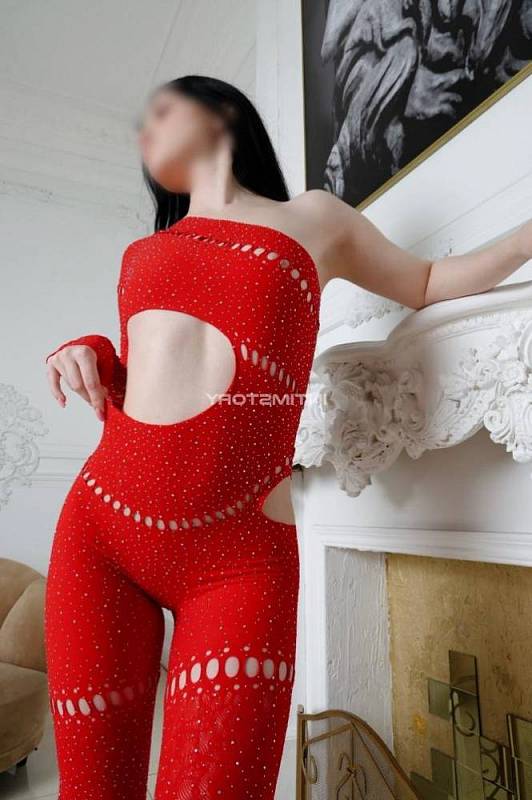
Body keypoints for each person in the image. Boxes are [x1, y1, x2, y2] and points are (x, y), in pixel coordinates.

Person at [43, 74, 532, 800]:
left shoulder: (314, 217)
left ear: (223, 111)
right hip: (102, 534)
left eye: (162, 110)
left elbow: (427, 280)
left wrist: (524, 236)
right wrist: (87, 351)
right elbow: (144, 382)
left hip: (238, 561)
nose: (144, 129)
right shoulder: (146, 250)